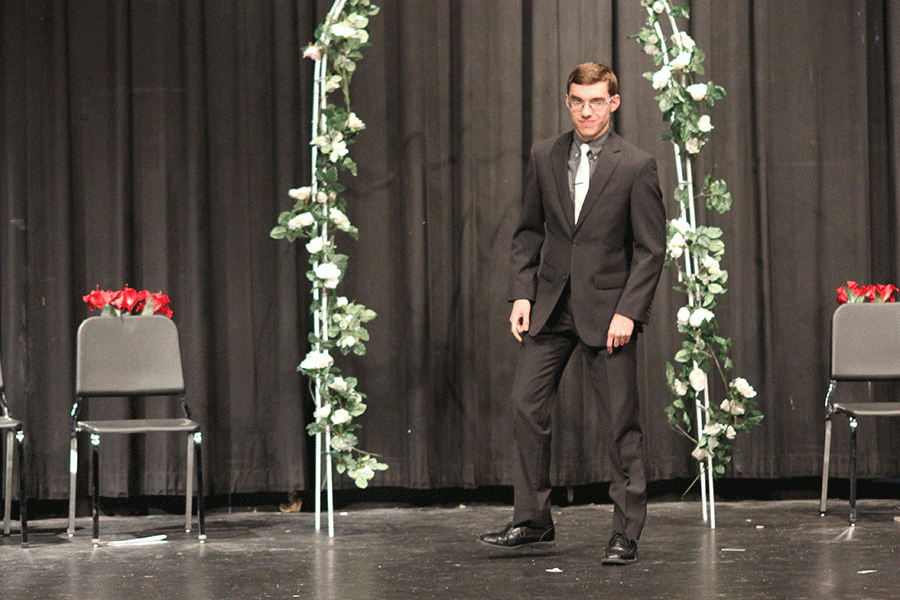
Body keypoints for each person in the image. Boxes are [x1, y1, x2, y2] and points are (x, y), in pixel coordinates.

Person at [478, 62, 666, 565]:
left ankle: (626, 532)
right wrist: (522, 294)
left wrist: (629, 312)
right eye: (578, 101)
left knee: (619, 425)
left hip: (608, 316)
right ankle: (533, 520)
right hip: (550, 307)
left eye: (597, 101)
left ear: (615, 103)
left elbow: (651, 250)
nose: (587, 111)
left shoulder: (636, 165)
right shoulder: (545, 154)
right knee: (525, 406)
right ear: (568, 102)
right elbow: (529, 232)